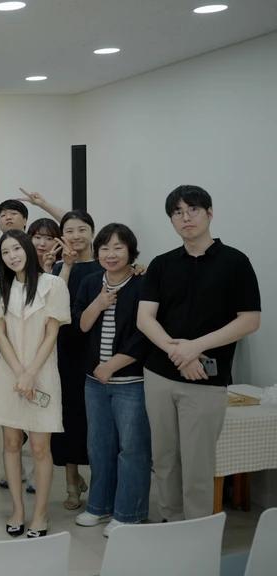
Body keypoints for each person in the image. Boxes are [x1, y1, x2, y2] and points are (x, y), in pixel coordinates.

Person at [137, 185, 261, 521]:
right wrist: (178, 352)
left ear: (209, 213)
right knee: (164, 459)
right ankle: (170, 522)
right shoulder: (162, 264)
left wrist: (196, 347)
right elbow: (145, 318)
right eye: (177, 212)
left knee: (198, 465)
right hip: (159, 375)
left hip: (207, 378)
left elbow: (250, 320)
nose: (185, 217)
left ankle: (197, 533)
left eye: (192, 209)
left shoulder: (235, 262)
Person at [0, 229, 71, 538]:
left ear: (28, 249)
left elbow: (52, 333)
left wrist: (31, 373)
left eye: (17, 249)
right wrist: (19, 372)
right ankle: (18, 510)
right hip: (9, 373)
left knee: (39, 447)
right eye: (6, 252)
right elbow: (0, 333)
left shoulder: (53, 284)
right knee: (10, 444)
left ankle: (40, 515)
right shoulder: (1, 286)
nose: (12, 256)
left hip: (42, 373)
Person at [74, 223, 151, 537]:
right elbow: (81, 325)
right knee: (99, 446)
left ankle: (129, 513)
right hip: (95, 382)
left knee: (132, 449)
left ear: (131, 251)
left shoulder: (144, 284)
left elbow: (144, 335)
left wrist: (113, 365)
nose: (111, 254)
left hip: (130, 381)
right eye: (105, 248)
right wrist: (99, 303)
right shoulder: (91, 282)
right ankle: (99, 506)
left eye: (118, 247)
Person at [52, 210, 102, 509]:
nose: (76, 236)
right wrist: (65, 266)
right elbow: (52, 303)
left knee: (95, 420)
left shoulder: (106, 265)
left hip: (96, 351)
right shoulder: (58, 268)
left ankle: (99, 483)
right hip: (64, 352)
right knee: (67, 416)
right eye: (69, 230)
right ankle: (71, 483)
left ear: (93, 232)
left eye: (82, 229)